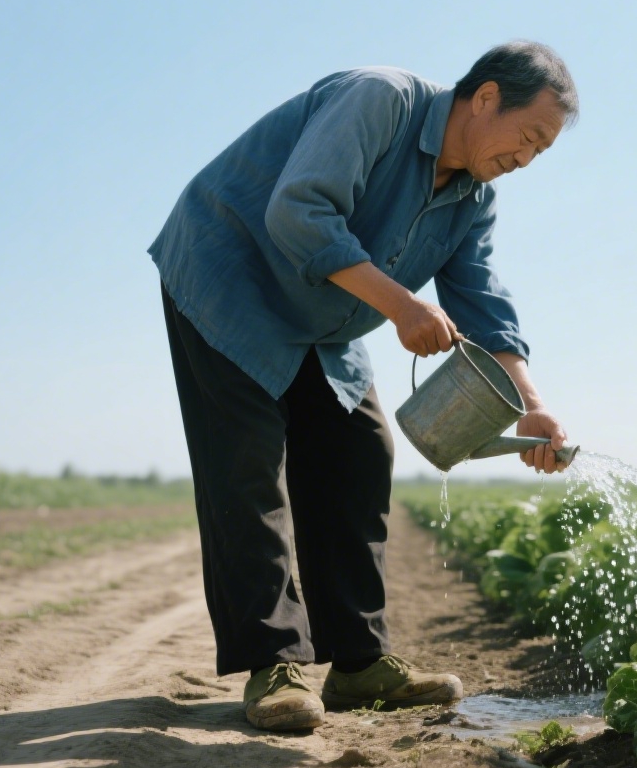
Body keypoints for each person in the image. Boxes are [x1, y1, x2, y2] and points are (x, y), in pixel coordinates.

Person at [148, 41, 576, 732]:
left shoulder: (473, 198)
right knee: (248, 466)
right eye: (527, 137)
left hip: (324, 319)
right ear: (488, 96)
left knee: (359, 450)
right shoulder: (382, 101)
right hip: (232, 278)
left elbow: (481, 298)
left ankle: (356, 662)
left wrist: (533, 405)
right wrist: (402, 305)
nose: (526, 158)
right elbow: (299, 211)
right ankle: (275, 664)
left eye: (540, 152)